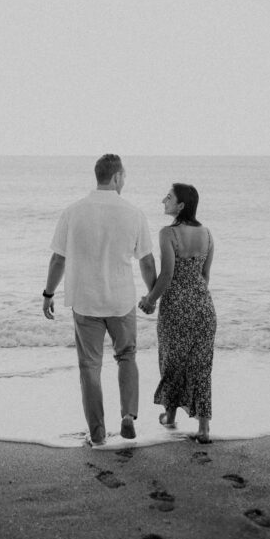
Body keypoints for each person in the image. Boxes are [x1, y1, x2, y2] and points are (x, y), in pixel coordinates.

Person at [42, 154, 157, 447]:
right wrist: (152, 294)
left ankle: (97, 433)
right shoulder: (133, 213)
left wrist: (48, 293)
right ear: (116, 177)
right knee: (127, 356)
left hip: (86, 301)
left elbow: (58, 258)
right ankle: (128, 415)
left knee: (89, 367)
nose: (124, 181)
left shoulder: (73, 212)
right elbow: (145, 261)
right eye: (124, 177)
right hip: (121, 301)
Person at [138, 182, 216, 443]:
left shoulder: (168, 233)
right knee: (201, 366)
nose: (163, 200)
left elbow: (168, 275)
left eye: (168, 197)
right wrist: (194, 298)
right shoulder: (207, 234)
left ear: (180, 205)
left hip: (175, 308)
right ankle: (204, 428)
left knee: (171, 361)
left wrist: (150, 299)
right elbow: (205, 276)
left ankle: (170, 417)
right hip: (204, 307)